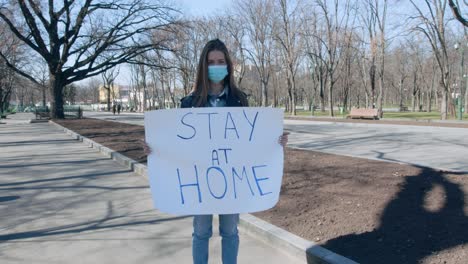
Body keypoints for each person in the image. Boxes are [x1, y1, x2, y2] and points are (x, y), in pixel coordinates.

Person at [145, 39, 288, 264]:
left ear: (228, 65)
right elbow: (177, 143)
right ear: (204, 65)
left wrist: (273, 141)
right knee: (201, 232)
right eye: (211, 62)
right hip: (200, 180)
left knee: (230, 231)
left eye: (220, 61)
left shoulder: (239, 100)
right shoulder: (189, 103)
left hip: (232, 181)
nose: (216, 66)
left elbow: (249, 141)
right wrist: (156, 147)